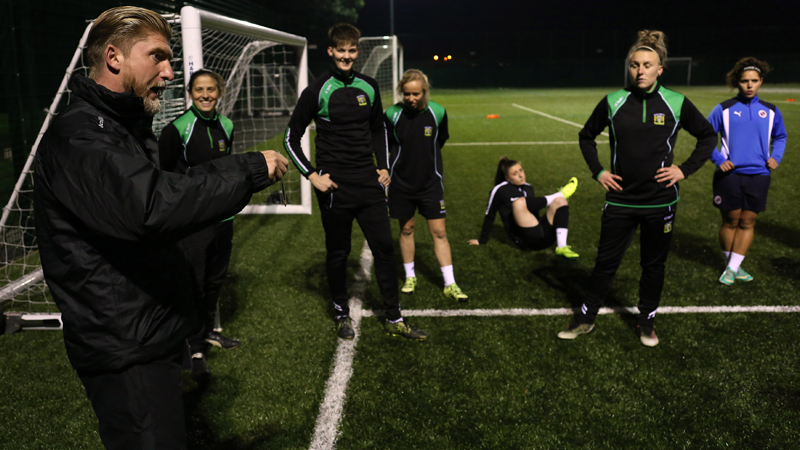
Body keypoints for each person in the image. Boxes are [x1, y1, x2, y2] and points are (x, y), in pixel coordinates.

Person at [33, 7, 288, 448]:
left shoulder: (119, 126)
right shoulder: (80, 136)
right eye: (158, 57)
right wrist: (247, 169)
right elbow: (151, 205)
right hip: (124, 347)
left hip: (147, 331)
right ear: (114, 57)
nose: (170, 73)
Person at [557, 30, 717, 347]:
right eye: (634, 65)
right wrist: (599, 171)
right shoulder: (614, 101)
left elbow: (708, 136)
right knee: (605, 264)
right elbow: (586, 136)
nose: (640, 71)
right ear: (629, 68)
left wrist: (683, 170)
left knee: (653, 266)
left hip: (660, 202)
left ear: (660, 69)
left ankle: (647, 322)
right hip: (620, 201)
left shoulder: (676, 102)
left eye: (647, 65)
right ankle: (586, 319)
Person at [284, 23, 427, 340]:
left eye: (352, 51)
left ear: (357, 51)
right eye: (341, 51)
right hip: (334, 189)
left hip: (369, 184)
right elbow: (290, 137)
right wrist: (312, 175)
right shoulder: (317, 90)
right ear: (331, 51)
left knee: (385, 251)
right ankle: (340, 313)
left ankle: (394, 319)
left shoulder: (370, 86)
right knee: (338, 253)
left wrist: (384, 166)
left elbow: (379, 129)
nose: (346, 56)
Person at [159, 69, 241, 381]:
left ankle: (207, 333)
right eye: (199, 90)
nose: (205, 95)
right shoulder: (177, 129)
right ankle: (192, 348)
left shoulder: (227, 126)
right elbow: (165, 176)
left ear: (219, 92)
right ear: (190, 93)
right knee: (193, 283)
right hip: (195, 222)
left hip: (224, 219)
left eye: (210, 90)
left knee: (214, 282)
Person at [384, 69, 467, 302]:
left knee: (439, 232)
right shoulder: (391, 114)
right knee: (407, 228)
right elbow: (388, 145)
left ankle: (450, 283)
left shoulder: (438, 112)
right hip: (401, 183)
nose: (411, 99)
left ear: (425, 91)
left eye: (416, 94)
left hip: (431, 184)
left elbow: (440, 140)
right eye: (407, 94)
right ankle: (410, 276)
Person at [707, 57, 787, 285]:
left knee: (748, 222)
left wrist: (776, 157)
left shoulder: (771, 111)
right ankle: (731, 267)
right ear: (737, 82)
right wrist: (718, 158)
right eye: (744, 81)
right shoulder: (723, 109)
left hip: (760, 175)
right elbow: (705, 136)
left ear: (761, 81)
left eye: (754, 80)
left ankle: (732, 268)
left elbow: (781, 136)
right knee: (731, 220)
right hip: (729, 175)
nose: (749, 85)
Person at [468, 157, 579, 258]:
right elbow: (490, 214)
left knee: (561, 201)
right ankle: (560, 193)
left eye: (521, 170)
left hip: (545, 238)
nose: (521, 175)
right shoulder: (500, 190)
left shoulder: (528, 188)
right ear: (507, 178)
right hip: (527, 241)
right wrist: (482, 240)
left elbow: (533, 214)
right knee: (519, 202)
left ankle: (561, 246)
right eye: (515, 174)